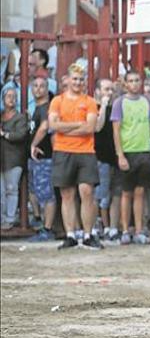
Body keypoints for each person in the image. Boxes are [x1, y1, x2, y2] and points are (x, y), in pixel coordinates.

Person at [47, 63, 101, 250]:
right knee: (67, 194)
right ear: (68, 80)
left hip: (86, 152)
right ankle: (70, 235)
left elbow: (90, 127)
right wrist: (78, 125)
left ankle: (88, 234)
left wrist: (65, 127)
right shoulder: (57, 101)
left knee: (87, 192)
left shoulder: (90, 102)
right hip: (63, 151)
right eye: (75, 79)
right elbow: (53, 125)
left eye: (81, 79)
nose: (78, 82)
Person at [111, 71, 150, 245]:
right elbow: (116, 130)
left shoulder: (146, 102)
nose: (134, 84)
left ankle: (138, 230)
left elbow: (149, 126)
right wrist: (120, 154)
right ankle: (125, 230)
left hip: (144, 150)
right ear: (125, 84)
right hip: (128, 151)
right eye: (131, 81)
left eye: (137, 80)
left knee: (140, 192)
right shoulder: (120, 103)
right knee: (126, 193)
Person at [27, 76, 57, 241]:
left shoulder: (47, 107)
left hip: (44, 156)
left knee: (46, 194)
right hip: (34, 158)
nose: (38, 89)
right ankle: (41, 223)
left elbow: (45, 126)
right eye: (35, 85)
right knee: (36, 191)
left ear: (47, 89)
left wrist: (33, 144)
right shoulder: (36, 108)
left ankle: (48, 229)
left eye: (42, 86)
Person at [93, 78, 120, 241]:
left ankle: (112, 228)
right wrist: (102, 106)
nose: (109, 93)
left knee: (115, 194)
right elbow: (98, 127)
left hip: (114, 157)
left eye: (111, 90)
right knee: (99, 195)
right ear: (97, 91)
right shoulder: (94, 107)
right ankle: (96, 227)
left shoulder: (115, 109)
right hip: (99, 157)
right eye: (106, 89)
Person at [1, 87, 28, 230]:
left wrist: (4, 134)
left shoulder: (20, 117)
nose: (11, 99)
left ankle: (10, 219)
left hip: (14, 159)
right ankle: (2, 219)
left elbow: (21, 135)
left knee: (11, 189)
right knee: (1, 191)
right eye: (8, 96)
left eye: (14, 96)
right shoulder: (0, 115)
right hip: (2, 159)